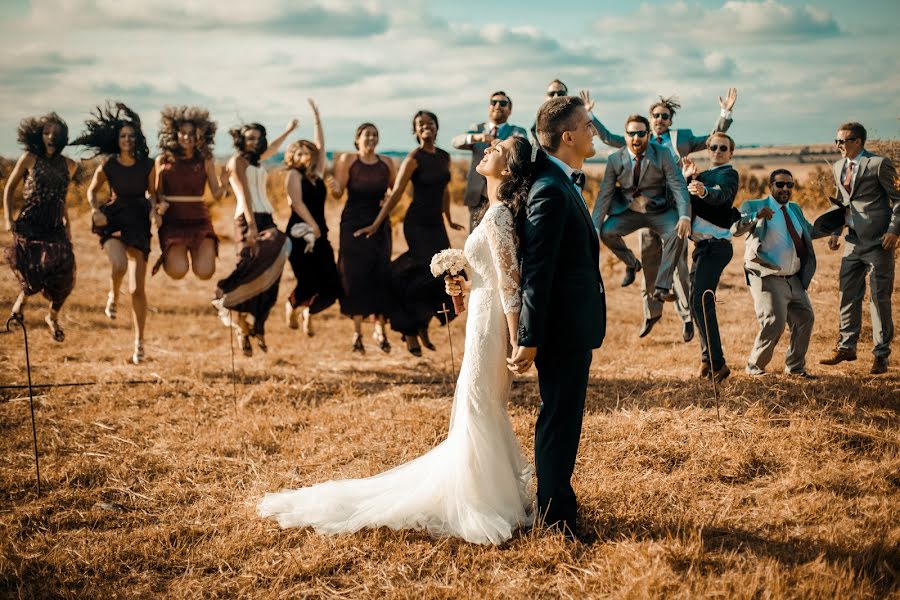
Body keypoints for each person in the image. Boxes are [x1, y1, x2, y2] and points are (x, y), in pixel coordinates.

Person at [258, 136, 537, 545]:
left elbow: (510, 285)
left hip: (492, 325)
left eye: (498, 149)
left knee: (479, 401)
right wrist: (462, 282)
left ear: (508, 169)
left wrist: (517, 338)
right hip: (480, 315)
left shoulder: (497, 218)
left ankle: (484, 498)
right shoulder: (492, 212)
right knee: (476, 402)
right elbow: (492, 277)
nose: (490, 147)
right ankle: (490, 490)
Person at [508, 95, 606, 538]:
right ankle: (556, 517)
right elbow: (538, 270)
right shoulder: (549, 189)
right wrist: (529, 336)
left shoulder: (562, 179)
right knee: (559, 419)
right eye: (588, 125)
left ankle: (557, 504)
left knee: (564, 416)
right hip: (561, 328)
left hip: (570, 323)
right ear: (567, 136)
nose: (594, 131)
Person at [583, 89, 737, 341]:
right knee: (650, 264)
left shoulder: (681, 140)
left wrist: (725, 113)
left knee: (679, 266)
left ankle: (687, 318)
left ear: (670, 120)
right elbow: (610, 138)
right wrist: (590, 114)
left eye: (665, 116)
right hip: (644, 210)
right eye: (656, 115)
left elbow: (711, 139)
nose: (660, 120)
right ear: (650, 118)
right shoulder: (638, 139)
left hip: (673, 210)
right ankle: (651, 314)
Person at [354, 110, 464, 356]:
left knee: (445, 274)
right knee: (425, 271)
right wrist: (375, 224)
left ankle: (420, 325)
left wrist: (448, 219)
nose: (426, 127)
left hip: (436, 224)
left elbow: (444, 190)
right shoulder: (414, 157)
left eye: (430, 123)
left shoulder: (445, 157)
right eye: (420, 124)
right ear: (416, 132)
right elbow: (396, 194)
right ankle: (410, 331)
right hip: (417, 224)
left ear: (436, 127)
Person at [75, 103, 156, 364]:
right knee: (119, 263)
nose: (127, 139)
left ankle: (139, 344)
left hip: (140, 220)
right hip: (114, 218)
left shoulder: (147, 164)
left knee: (138, 291)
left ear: (137, 139)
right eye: (123, 135)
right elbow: (92, 190)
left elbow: (153, 194)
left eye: (132, 135)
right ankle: (112, 292)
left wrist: (156, 209)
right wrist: (95, 209)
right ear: (117, 139)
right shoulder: (108, 164)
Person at [591, 114, 690, 320]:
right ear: (626, 136)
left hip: (659, 211)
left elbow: (678, 186)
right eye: (631, 133)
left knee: (676, 232)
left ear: (648, 134)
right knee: (607, 232)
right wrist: (595, 227)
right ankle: (632, 264)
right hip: (630, 212)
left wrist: (684, 216)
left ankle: (663, 286)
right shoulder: (614, 159)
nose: (636, 137)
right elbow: (604, 194)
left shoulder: (662, 154)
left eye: (641, 133)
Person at [819, 122, 899, 375]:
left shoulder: (879, 164)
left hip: (878, 241)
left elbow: (898, 200)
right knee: (846, 293)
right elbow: (841, 202)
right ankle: (846, 347)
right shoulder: (838, 166)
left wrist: (894, 231)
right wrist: (834, 231)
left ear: (858, 141)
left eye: (843, 141)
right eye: (837, 141)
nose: (839, 146)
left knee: (879, 298)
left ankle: (881, 355)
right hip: (852, 242)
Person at [733, 169, 828, 378]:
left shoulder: (794, 208)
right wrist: (756, 216)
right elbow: (735, 229)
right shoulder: (754, 206)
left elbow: (809, 232)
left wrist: (836, 223)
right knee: (774, 321)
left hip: (793, 276)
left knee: (805, 318)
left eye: (790, 185)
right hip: (766, 275)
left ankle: (795, 368)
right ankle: (754, 367)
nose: (785, 189)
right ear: (770, 186)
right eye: (780, 184)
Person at [213, 120, 296, 355]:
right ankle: (235, 314)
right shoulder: (237, 161)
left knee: (272, 267)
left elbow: (274, 148)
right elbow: (245, 195)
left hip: (267, 217)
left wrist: (288, 130)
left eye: (258, 138)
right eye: (250, 137)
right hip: (247, 218)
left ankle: (258, 324)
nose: (254, 142)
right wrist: (250, 226)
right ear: (241, 139)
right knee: (247, 265)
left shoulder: (257, 160)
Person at [3, 112, 79, 341]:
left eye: (55, 133)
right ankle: (20, 305)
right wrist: (8, 217)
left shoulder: (70, 165)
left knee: (65, 269)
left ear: (62, 137)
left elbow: (61, 198)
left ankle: (53, 317)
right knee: (36, 267)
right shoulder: (29, 158)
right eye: (47, 132)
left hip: (54, 224)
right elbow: (10, 188)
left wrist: (68, 223)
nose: (51, 137)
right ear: (39, 135)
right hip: (30, 222)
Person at [329, 123, 395, 353]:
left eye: (375, 135)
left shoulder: (387, 162)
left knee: (381, 272)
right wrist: (334, 186)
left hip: (379, 223)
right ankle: (357, 333)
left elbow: (394, 193)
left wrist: (386, 208)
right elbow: (338, 193)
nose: (371, 138)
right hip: (353, 223)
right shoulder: (348, 159)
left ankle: (380, 330)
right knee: (354, 275)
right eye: (367, 135)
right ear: (357, 139)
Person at [282, 99, 343, 337]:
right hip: (300, 233)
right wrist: (313, 225)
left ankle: (308, 313)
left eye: (308, 150)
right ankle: (292, 304)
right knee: (307, 280)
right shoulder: (292, 175)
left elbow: (320, 144)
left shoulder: (317, 175)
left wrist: (317, 118)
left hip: (321, 232)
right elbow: (296, 203)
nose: (305, 153)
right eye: (299, 150)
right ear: (292, 155)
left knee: (330, 283)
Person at [682, 133, 739, 381]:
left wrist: (703, 190)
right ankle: (707, 360)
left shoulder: (729, 174)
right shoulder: (701, 174)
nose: (717, 150)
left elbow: (722, 195)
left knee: (701, 302)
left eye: (723, 148)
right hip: (701, 248)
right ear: (708, 149)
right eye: (713, 147)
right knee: (696, 304)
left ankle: (718, 364)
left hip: (717, 247)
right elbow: (684, 195)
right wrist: (688, 178)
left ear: (730, 152)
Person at [153, 106, 226, 279]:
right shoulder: (163, 159)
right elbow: (156, 192)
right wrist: (158, 206)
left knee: (205, 272)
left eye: (192, 133)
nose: (187, 137)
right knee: (178, 272)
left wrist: (224, 183)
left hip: (199, 219)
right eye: (183, 132)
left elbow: (217, 194)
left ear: (200, 135)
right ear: (174, 133)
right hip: (172, 220)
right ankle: (172, 255)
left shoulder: (205, 160)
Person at [452, 91, 528, 230]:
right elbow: (455, 142)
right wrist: (476, 138)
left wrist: (502, 143)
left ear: (510, 110)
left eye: (503, 103)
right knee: (474, 235)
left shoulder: (516, 131)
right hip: (476, 193)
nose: (497, 105)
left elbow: (523, 145)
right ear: (489, 107)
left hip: (503, 194)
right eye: (494, 102)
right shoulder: (477, 129)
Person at [529, 79, 568, 144]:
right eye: (551, 94)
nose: (556, 96)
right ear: (546, 97)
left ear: (567, 96)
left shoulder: (577, 119)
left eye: (561, 93)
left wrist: (586, 113)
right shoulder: (538, 123)